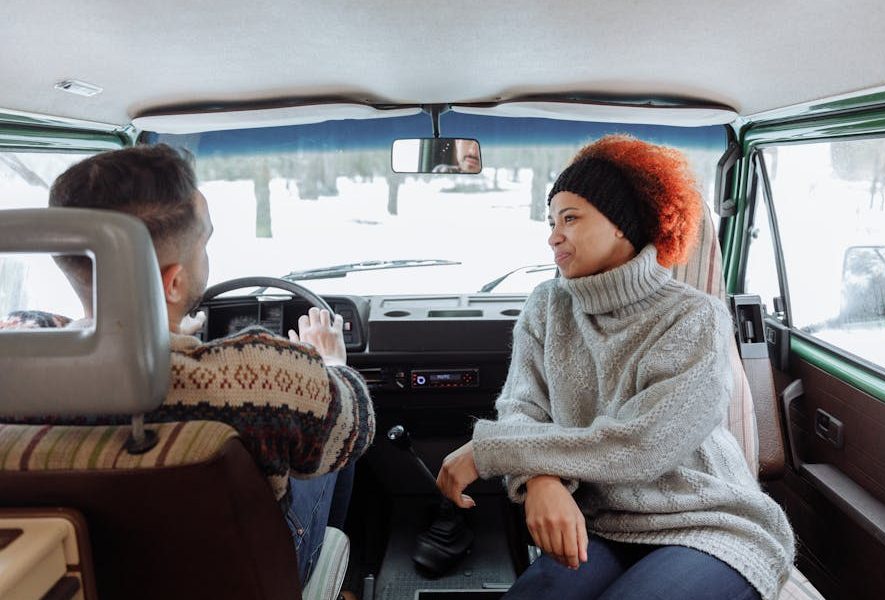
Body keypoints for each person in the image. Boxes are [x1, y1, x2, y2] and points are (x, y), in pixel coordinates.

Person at [436, 135, 794, 600]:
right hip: (603, 521)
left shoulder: (695, 317)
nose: (553, 236)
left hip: (709, 521)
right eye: (551, 222)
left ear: (623, 225)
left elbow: (644, 443)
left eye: (570, 218)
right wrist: (539, 479)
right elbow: (522, 408)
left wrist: (493, 452)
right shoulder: (546, 306)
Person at [2, 144, 374, 589]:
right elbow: (356, 428)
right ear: (174, 282)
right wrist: (329, 362)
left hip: (82, 580)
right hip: (249, 579)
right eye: (205, 242)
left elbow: (47, 325)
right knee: (325, 437)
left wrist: (173, 335)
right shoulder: (268, 377)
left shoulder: (16, 360)